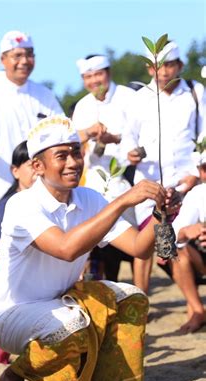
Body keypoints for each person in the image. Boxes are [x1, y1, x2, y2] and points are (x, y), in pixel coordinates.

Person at [0, 114, 179, 381]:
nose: (73, 162)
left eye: (76, 152)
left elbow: (138, 248)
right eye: (62, 155)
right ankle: (13, 376)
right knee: (73, 325)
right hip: (9, 316)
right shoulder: (21, 204)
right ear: (37, 166)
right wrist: (123, 201)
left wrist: (161, 214)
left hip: (59, 305)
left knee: (131, 298)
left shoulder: (89, 198)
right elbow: (66, 249)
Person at [0, 30, 63, 236]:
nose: (24, 61)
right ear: (3, 59)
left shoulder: (45, 95)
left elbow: (62, 134)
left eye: (29, 54)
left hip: (40, 188)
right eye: (17, 56)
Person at [121, 41, 204, 293]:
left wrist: (194, 176)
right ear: (149, 69)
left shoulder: (195, 92)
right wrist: (131, 154)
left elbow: (203, 136)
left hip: (185, 181)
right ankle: (141, 299)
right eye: (158, 66)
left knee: (180, 242)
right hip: (149, 183)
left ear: (179, 65)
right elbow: (128, 138)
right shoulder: (138, 99)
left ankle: (193, 305)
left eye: (169, 65)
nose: (164, 72)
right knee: (146, 242)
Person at [73, 54, 136, 281]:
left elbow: (140, 135)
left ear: (108, 73)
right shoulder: (82, 105)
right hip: (95, 180)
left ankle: (140, 290)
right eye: (88, 77)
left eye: (98, 74)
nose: (94, 81)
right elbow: (72, 140)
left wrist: (115, 138)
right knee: (94, 240)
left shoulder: (129, 97)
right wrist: (89, 132)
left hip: (127, 177)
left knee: (131, 238)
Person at [0, 140, 36, 365]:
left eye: (39, 164)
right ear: (15, 171)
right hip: (3, 275)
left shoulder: (44, 199)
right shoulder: (8, 205)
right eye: (31, 164)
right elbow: (4, 249)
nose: (37, 170)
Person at [170, 153, 206, 333]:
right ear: (199, 172)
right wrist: (185, 232)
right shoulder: (198, 194)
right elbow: (169, 237)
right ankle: (198, 310)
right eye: (205, 169)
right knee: (176, 254)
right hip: (202, 258)